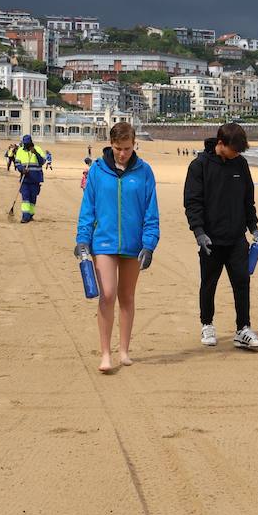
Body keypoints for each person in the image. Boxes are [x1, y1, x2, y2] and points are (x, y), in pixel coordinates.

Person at [76, 121, 160, 372]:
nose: (123, 153)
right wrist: (82, 240)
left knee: (127, 297)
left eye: (127, 148)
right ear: (110, 144)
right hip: (103, 242)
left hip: (134, 245)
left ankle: (123, 350)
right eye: (118, 148)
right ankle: (105, 354)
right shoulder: (98, 172)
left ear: (134, 145)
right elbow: (87, 209)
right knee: (108, 294)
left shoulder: (144, 172)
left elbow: (151, 212)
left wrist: (150, 244)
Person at [184, 122, 258, 350]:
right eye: (234, 149)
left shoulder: (240, 164)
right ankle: (207, 324)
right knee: (209, 284)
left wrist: (254, 227)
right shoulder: (199, 166)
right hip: (210, 240)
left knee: (242, 282)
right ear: (221, 144)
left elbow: (247, 200)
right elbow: (192, 203)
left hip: (236, 239)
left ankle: (243, 330)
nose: (237, 154)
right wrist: (199, 232)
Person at [14, 134, 47, 223]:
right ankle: (25, 216)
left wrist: (35, 153)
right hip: (25, 179)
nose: (26, 146)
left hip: (35, 179)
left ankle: (30, 215)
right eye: (25, 144)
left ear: (31, 143)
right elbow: (17, 163)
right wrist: (22, 170)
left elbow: (42, 162)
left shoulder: (38, 149)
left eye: (27, 144)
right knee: (25, 197)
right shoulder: (20, 150)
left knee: (33, 198)